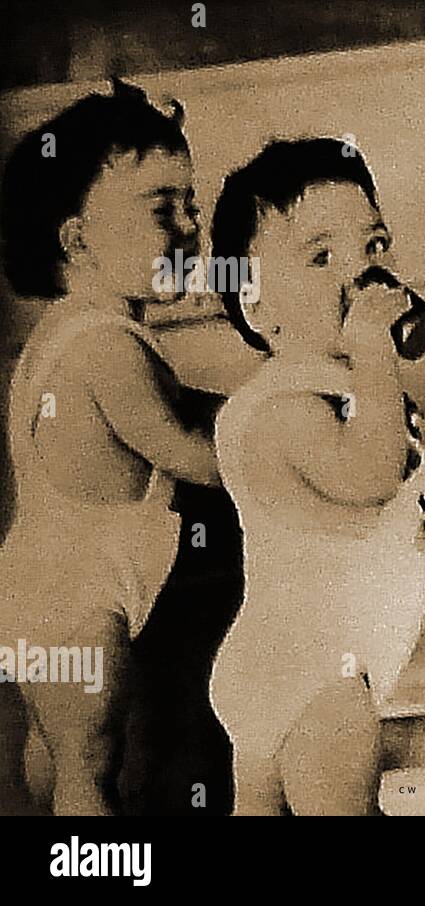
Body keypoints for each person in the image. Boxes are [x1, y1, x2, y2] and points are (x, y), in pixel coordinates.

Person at [0, 79, 221, 815]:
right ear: (77, 239)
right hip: (78, 596)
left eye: (192, 205)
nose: (189, 227)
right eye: (163, 210)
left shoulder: (70, 333)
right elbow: (194, 454)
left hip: (48, 585)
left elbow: (176, 412)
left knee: (60, 753)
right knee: (89, 764)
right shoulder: (104, 348)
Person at [207, 139, 425, 815]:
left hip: (289, 659)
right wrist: (373, 351)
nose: (360, 274)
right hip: (315, 671)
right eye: (321, 256)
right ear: (256, 306)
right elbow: (371, 475)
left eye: (373, 247)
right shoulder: (286, 408)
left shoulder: (329, 388)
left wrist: (373, 365)